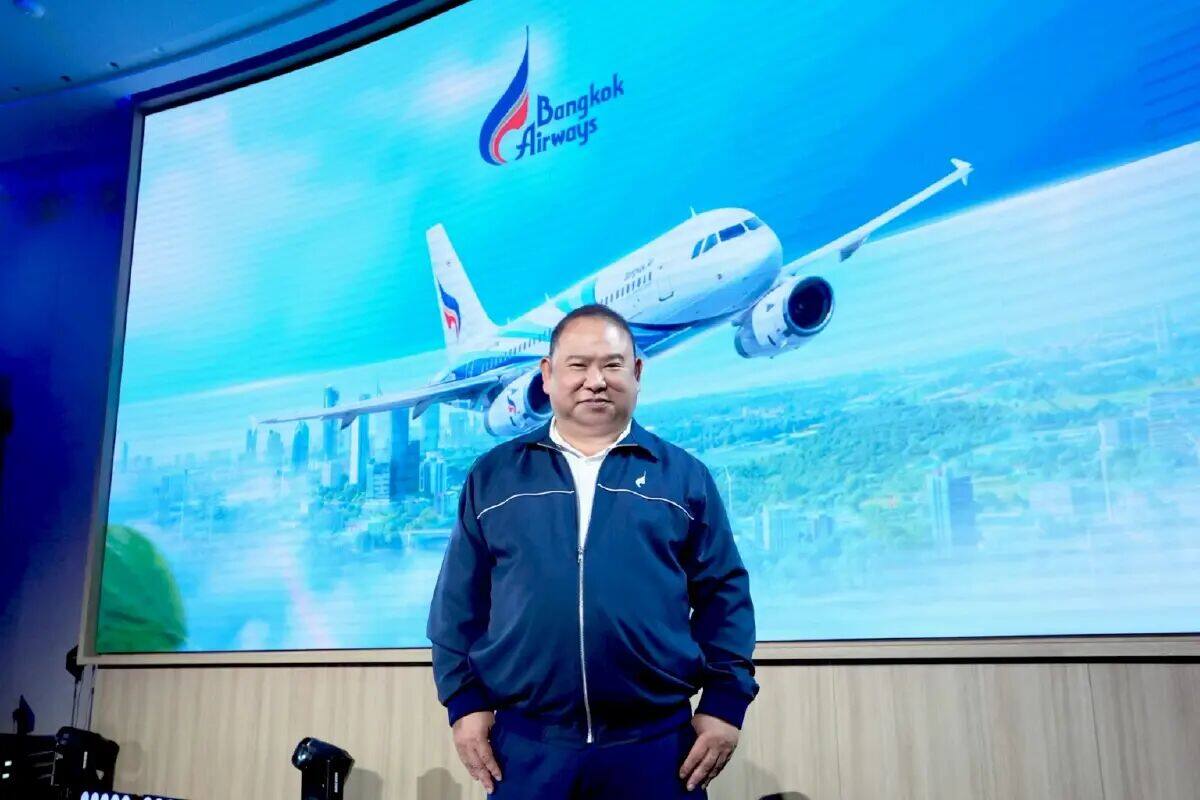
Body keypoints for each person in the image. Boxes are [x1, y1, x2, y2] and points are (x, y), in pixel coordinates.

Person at [427, 304, 758, 799]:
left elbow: (725, 597)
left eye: (612, 365)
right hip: (526, 748)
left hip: (657, 747)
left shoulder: (683, 477)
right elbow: (457, 605)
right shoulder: (495, 476)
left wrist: (725, 704)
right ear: (547, 374)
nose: (595, 381)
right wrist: (464, 701)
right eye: (578, 365)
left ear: (637, 372)